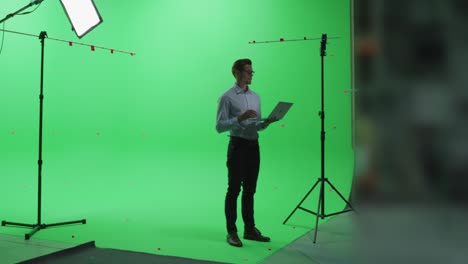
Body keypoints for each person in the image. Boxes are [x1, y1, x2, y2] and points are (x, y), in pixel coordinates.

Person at [216, 58, 277, 247]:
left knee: (250, 190)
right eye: (248, 71)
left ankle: (249, 229)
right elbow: (219, 126)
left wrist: (264, 124)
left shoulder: (256, 97)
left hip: (253, 146)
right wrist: (239, 118)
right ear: (237, 73)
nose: (251, 74)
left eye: (252, 72)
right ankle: (232, 232)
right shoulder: (226, 97)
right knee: (234, 189)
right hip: (237, 147)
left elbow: (255, 125)